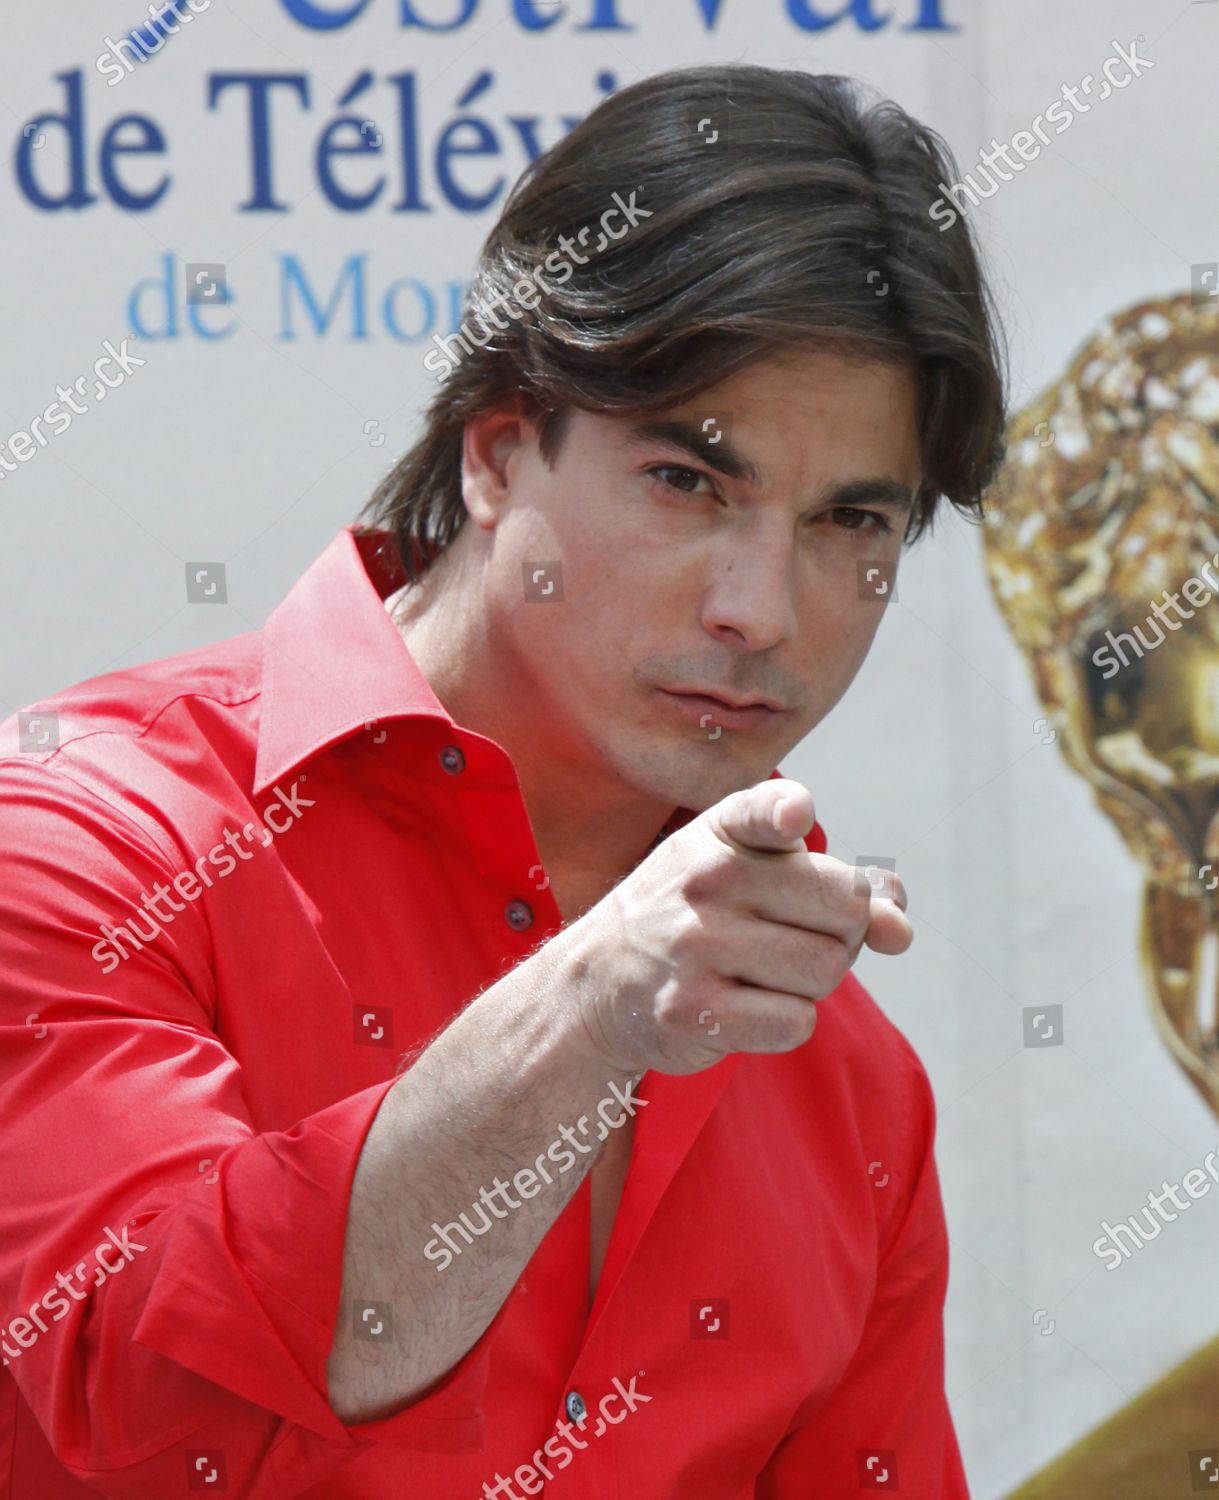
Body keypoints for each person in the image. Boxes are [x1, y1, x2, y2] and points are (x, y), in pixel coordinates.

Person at [0, 62, 1006, 1498]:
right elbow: (132, 1384)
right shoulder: (86, 838)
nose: (761, 610)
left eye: (853, 518)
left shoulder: (853, 1084)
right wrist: (586, 1022)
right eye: (688, 481)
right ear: (496, 450)